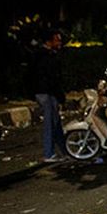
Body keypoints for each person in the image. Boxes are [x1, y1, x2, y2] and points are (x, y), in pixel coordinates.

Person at [30, 30, 65, 162]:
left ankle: (64, 150)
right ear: (49, 41)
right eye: (57, 40)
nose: (59, 42)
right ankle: (49, 153)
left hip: (45, 91)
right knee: (50, 123)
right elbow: (51, 77)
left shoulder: (44, 55)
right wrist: (59, 94)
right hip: (46, 92)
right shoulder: (45, 56)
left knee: (55, 122)